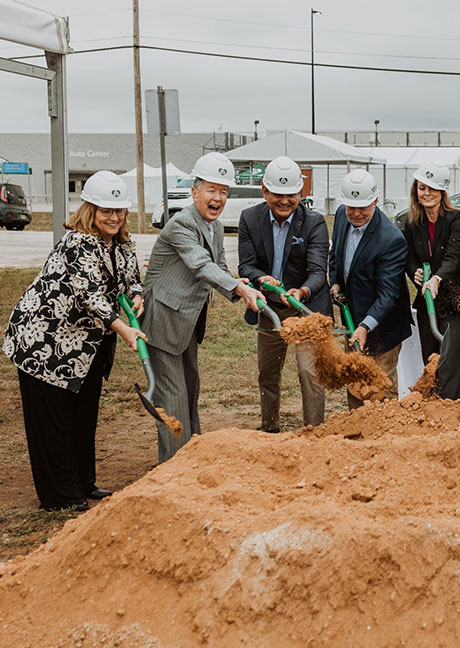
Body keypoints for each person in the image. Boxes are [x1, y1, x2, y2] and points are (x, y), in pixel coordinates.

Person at [3, 171, 145, 510]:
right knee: (53, 421)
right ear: (90, 210)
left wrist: (137, 297)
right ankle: (61, 496)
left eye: (119, 211)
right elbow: (90, 297)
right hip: (46, 343)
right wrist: (122, 328)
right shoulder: (76, 243)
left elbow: (132, 278)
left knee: (83, 416)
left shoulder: (122, 243)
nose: (114, 218)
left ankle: (84, 483)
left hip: (85, 347)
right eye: (105, 211)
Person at [141, 152, 264, 463]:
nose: (218, 197)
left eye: (224, 191)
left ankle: (189, 460)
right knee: (173, 398)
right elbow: (200, 265)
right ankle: (173, 469)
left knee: (190, 392)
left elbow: (219, 266)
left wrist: (245, 288)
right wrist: (238, 288)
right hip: (164, 320)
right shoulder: (180, 224)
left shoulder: (216, 227)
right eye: (211, 190)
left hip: (187, 322)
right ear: (194, 192)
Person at [238, 156, 330, 433]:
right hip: (270, 308)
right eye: (277, 194)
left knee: (309, 372)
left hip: (306, 308)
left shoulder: (314, 223)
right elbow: (246, 264)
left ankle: (313, 432)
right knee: (268, 372)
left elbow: (317, 270)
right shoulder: (250, 218)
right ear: (265, 191)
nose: (284, 201)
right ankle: (269, 428)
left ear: (300, 193)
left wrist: (301, 291)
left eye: (291, 194)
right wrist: (260, 278)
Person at [328, 168, 412, 408]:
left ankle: (384, 437)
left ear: (375, 201)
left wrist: (366, 326)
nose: (355, 214)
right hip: (353, 315)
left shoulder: (391, 239)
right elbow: (335, 253)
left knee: (379, 386)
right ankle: (357, 433)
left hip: (384, 325)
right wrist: (335, 280)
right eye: (350, 207)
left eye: (362, 208)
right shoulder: (342, 217)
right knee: (355, 379)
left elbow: (389, 294)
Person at [402, 163, 460, 399]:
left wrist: (436, 278)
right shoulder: (412, 222)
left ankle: (448, 414)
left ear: (442, 192)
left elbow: (454, 257)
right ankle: (431, 415)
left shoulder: (457, 219)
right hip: (428, 302)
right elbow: (409, 258)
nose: (426, 193)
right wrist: (415, 273)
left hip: (458, 302)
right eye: (422, 188)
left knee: (449, 366)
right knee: (431, 362)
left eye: (432, 189)